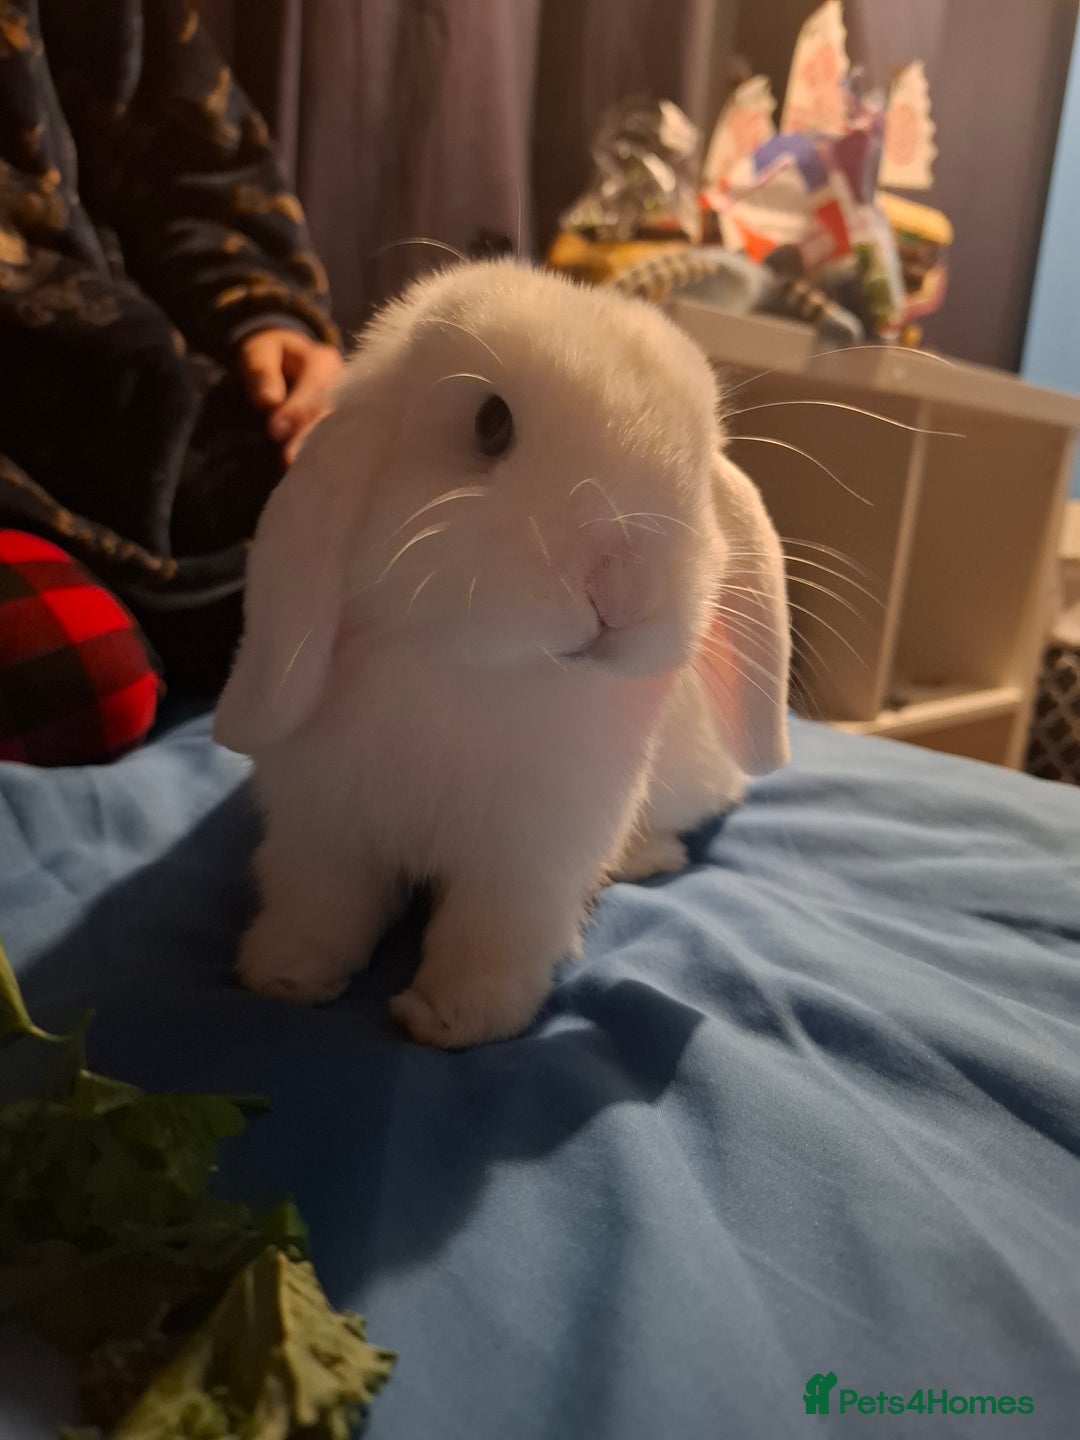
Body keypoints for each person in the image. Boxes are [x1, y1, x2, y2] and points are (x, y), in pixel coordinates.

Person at [0, 0, 344, 694]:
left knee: (409, 563)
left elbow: (187, 154)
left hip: (132, 404)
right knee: (83, 676)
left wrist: (267, 314)